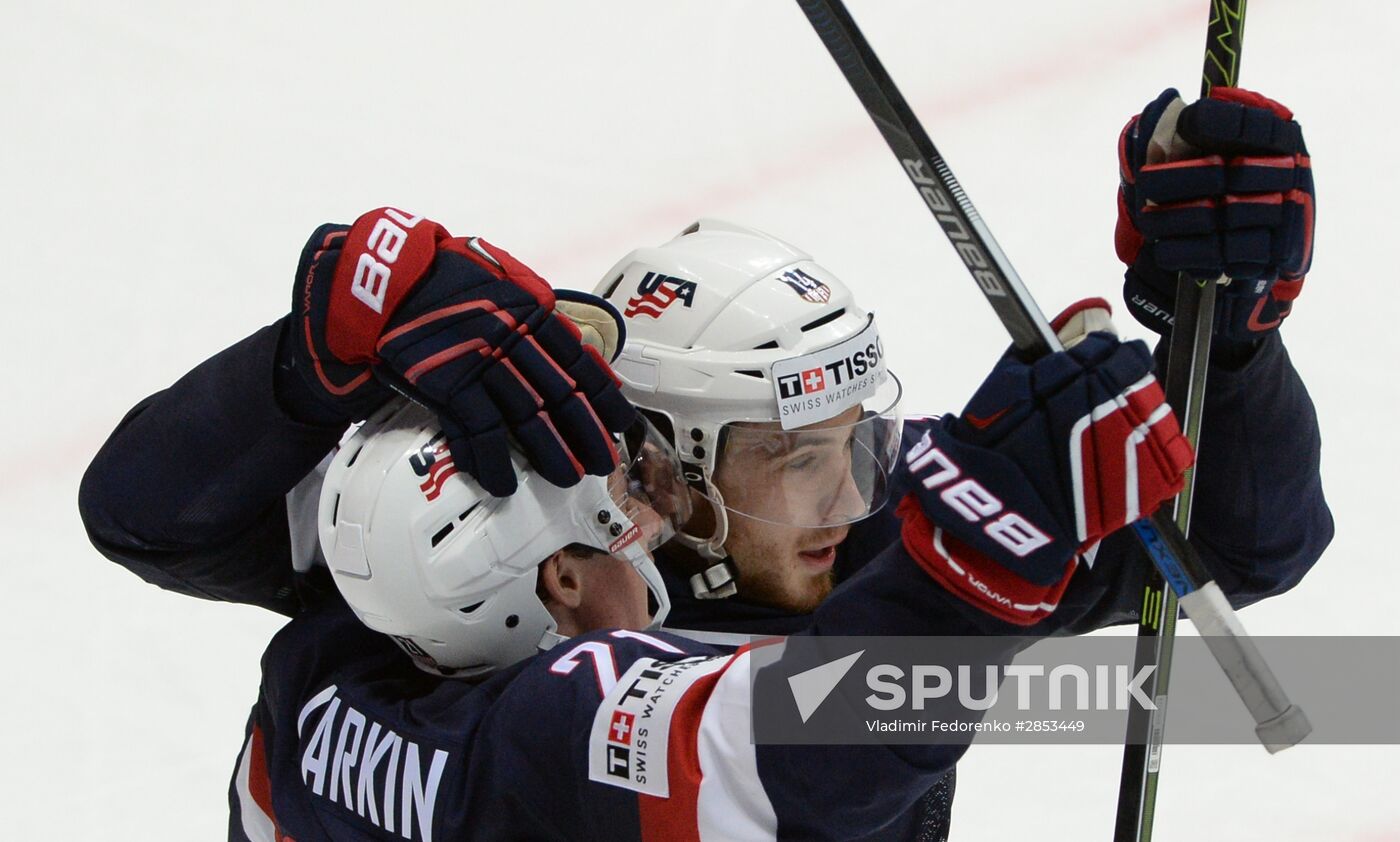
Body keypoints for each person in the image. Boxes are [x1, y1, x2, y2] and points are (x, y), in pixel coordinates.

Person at [77, 86, 1327, 840]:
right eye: (793, 456)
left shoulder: (786, 534)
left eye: (859, 441)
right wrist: (982, 553)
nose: (856, 499)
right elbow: (807, 756)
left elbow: (1232, 537)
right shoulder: (476, 680)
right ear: (658, 470)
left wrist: (1224, 343)